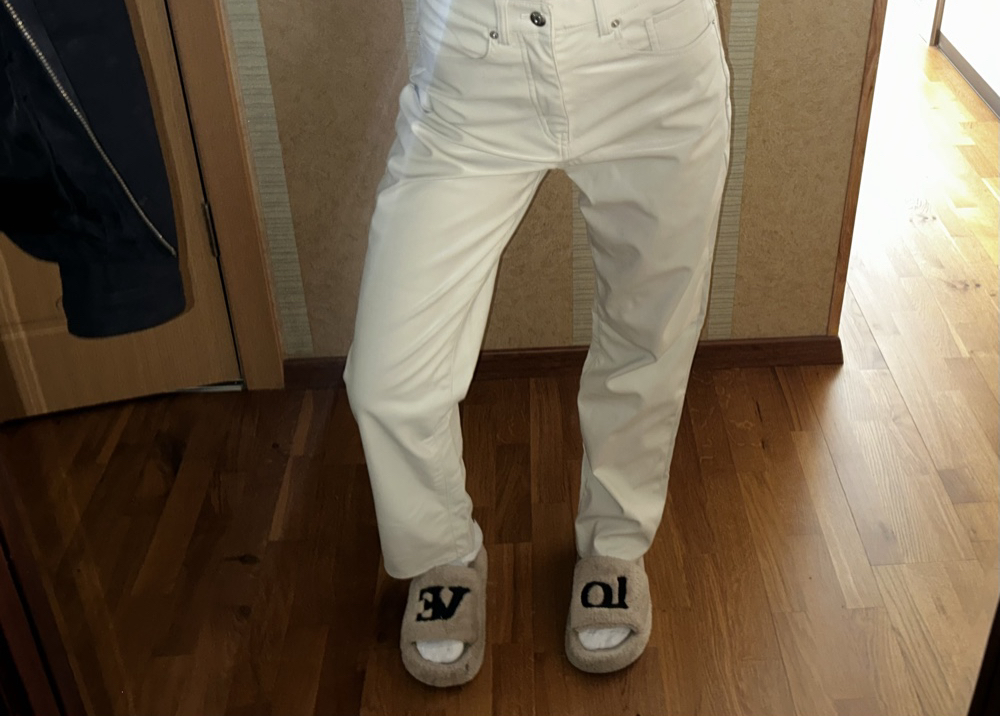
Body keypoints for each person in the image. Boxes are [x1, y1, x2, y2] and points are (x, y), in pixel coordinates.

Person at [343, 0, 732, 687]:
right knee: (386, 377)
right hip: (475, 63)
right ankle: (440, 548)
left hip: (653, 60)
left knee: (649, 334)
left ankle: (614, 542)